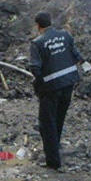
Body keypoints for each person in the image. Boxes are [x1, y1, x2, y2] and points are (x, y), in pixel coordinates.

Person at [25, 11, 82, 169]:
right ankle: (56, 148)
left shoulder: (37, 43)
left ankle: (53, 161)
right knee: (59, 117)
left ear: (38, 26)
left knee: (47, 122)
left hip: (51, 87)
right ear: (50, 22)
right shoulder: (65, 35)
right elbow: (77, 56)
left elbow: (35, 68)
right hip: (69, 82)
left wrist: (39, 83)